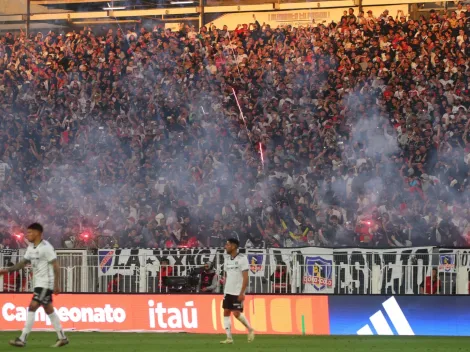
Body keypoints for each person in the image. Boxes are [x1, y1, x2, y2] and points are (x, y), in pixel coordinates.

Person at [0, 223, 69, 347]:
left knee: (32, 307)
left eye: (30, 232)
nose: (27, 235)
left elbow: (56, 266)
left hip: (45, 284)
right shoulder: (31, 248)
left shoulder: (46, 247)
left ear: (37, 233)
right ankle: (62, 337)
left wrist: (56, 285)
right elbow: (22, 263)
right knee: (49, 310)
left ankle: (22, 339)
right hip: (38, 284)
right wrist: (7, 270)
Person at [220, 238, 254, 344]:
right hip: (228, 291)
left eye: (228, 245)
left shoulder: (242, 259)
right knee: (226, 311)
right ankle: (229, 338)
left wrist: (242, 292)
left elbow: (245, 277)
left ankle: (250, 329)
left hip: (237, 291)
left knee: (236, 313)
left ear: (234, 246)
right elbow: (227, 274)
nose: (226, 247)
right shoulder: (226, 259)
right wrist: (224, 281)